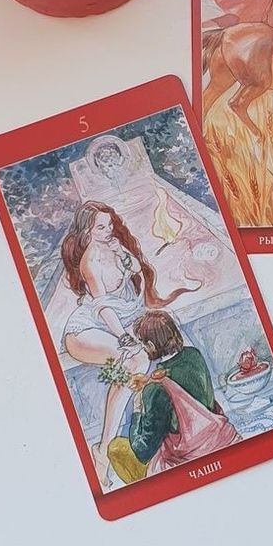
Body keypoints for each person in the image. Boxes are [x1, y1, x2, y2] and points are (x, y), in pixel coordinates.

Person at [61, 201, 193, 488]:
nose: (108, 231)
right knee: (134, 359)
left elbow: (134, 270)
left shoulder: (115, 245)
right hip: (89, 328)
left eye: (109, 225)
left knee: (151, 349)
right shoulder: (90, 262)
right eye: (100, 228)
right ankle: (104, 450)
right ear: (87, 231)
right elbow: (103, 306)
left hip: (121, 319)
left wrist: (124, 255)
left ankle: (119, 446)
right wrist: (123, 336)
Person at [108, 310, 240, 483]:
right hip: (219, 439)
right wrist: (149, 382)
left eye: (142, 343)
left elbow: (143, 451)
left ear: (152, 345)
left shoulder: (155, 390)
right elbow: (185, 391)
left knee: (115, 448)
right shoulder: (194, 355)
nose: (142, 348)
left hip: (187, 459)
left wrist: (138, 409)